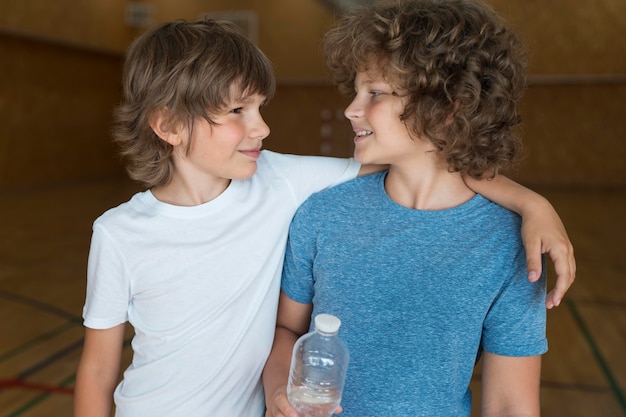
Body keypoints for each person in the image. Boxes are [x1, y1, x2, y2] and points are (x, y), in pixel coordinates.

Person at [73, 17, 573, 417]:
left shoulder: (283, 182)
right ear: (167, 125)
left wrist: (532, 203)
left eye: (374, 93)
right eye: (238, 111)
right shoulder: (122, 233)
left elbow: (437, 153)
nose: (263, 127)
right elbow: (98, 372)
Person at [263, 1, 556, 416]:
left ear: (447, 108)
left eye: (376, 93)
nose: (351, 108)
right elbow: (287, 329)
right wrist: (279, 392)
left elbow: (511, 405)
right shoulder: (322, 214)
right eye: (357, 90)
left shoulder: (512, 246)